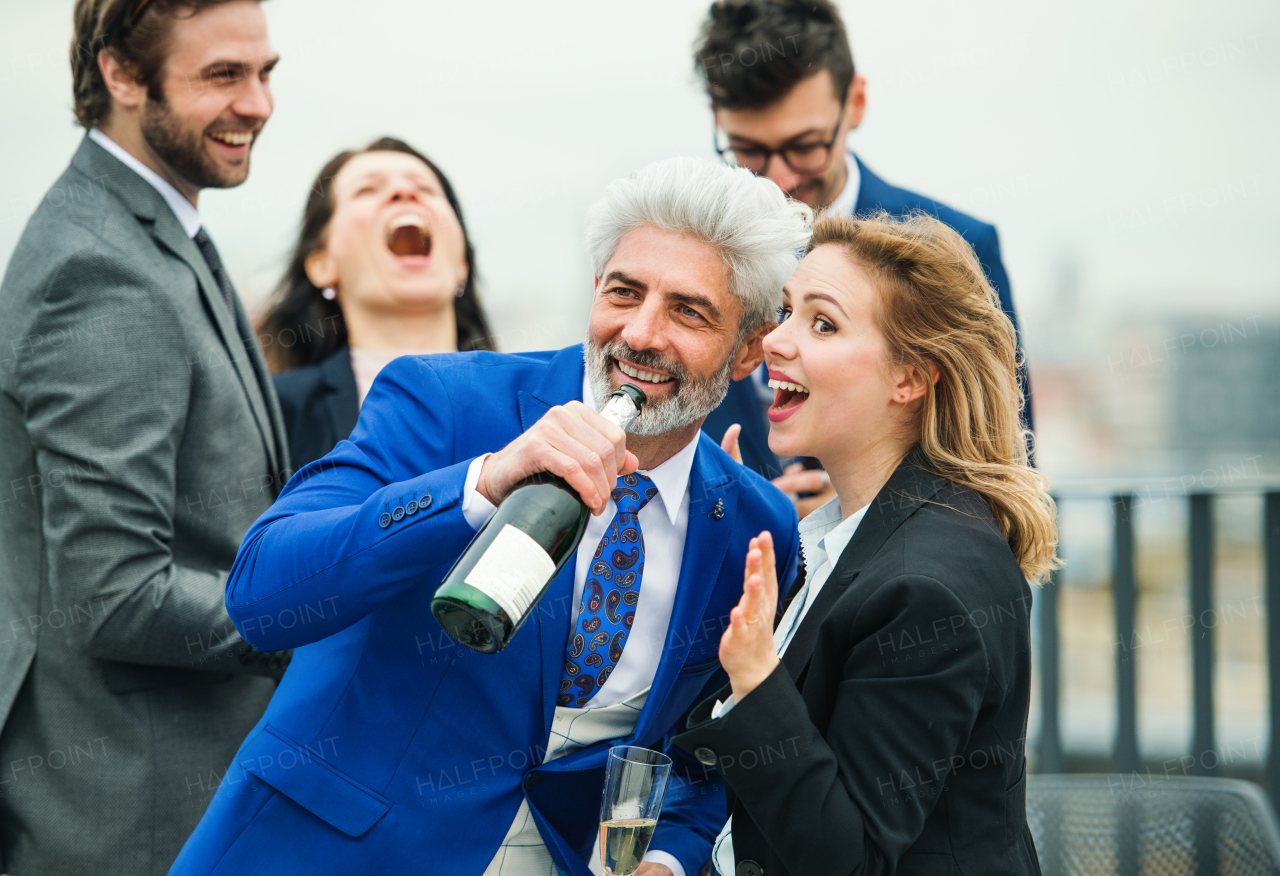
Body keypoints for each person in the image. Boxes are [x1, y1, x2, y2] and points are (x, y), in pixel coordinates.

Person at [168, 157, 810, 876]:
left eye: (688, 310)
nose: (640, 333)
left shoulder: (758, 528)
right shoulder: (443, 400)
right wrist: (480, 483)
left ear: (750, 347)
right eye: (624, 293)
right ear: (596, 288)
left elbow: (700, 750)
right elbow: (262, 596)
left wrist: (667, 856)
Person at [674, 213, 1056, 876]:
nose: (775, 342)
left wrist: (756, 677)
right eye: (786, 311)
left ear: (908, 377)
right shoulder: (857, 533)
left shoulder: (924, 588)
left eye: (822, 324)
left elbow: (848, 857)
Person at [0, 2, 289, 874]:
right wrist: (318, 611)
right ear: (122, 76)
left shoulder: (153, 229)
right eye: (222, 76)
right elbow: (115, 593)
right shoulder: (98, 270)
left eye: (265, 71)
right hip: (135, 816)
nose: (259, 104)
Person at [694, 0, 1032, 513]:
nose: (779, 178)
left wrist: (863, 504)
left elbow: (1002, 464)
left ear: (855, 103)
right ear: (719, 119)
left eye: (805, 146)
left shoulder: (961, 248)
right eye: (748, 150)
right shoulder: (695, 256)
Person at [259, 137, 495, 470]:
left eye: (425, 188)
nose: (403, 192)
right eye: (367, 190)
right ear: (322, 265)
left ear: (462, 265)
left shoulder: (535, 403)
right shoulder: (273, 414)